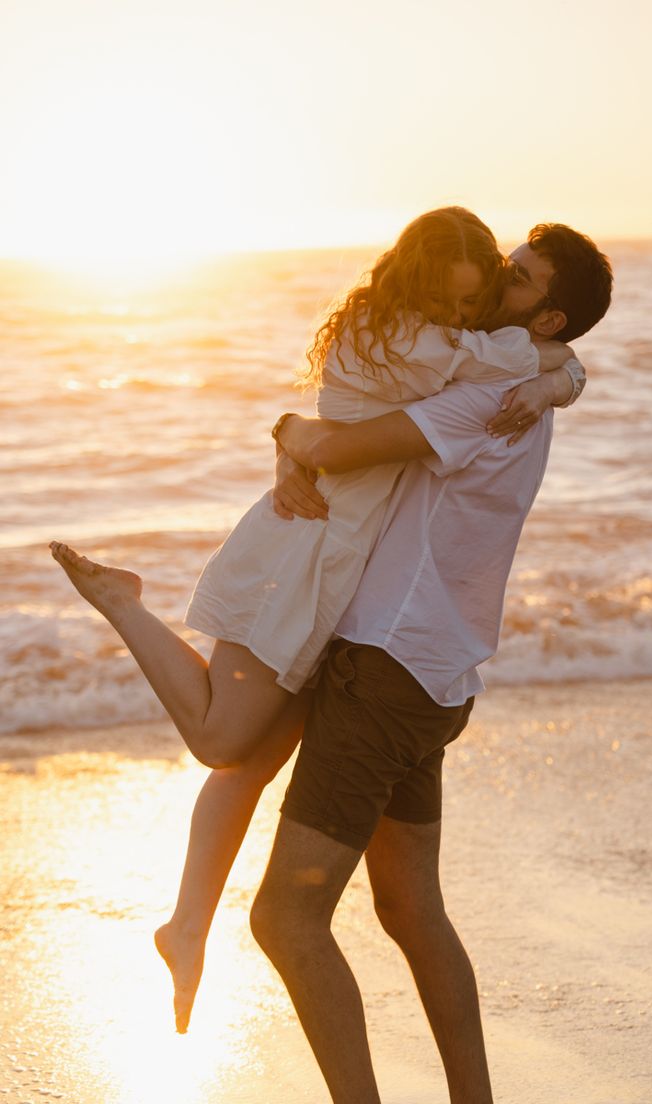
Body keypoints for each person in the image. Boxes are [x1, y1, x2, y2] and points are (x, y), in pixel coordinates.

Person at [49, 207, 580, 1032]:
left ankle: (185, 928)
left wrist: (558, 375)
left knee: (250, 758)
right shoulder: (418, 344)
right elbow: (484, 369)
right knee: (224, 742)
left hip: (342, 575)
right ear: (434, 279)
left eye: (496, 288)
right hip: (305, 552)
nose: (475, 306)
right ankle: (123, 602)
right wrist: (557, 374)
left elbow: (488, 368)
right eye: (470, 288)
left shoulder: (418, 329)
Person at [247, 223, 613, 1104]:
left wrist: (285, 426)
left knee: (286, 918)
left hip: (385, 666)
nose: (496, 275)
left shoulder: (484, 398)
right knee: (411, 910)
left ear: (549, 312)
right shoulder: (517, 381)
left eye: (517, 276)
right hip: (437, 675)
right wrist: (564, 374)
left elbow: (334, 444)